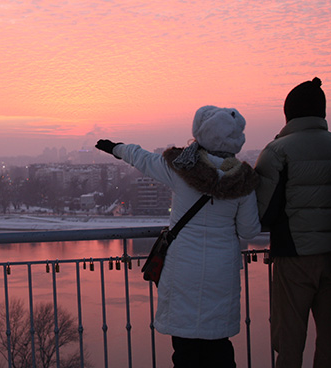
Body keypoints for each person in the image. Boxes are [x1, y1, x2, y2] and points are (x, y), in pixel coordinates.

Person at [96, 105, 261, 368]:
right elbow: (250, 230)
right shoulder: (242, 181)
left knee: (185, 349)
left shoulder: (182, 168)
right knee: (218, 346)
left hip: (183, 269)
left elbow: (143, 158)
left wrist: (116, 148)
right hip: (222, 272)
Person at [254, 77, 331, 368]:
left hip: (294, 256)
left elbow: (265, 212)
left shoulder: (278, 152)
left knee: (289, 340)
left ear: (289, 112)